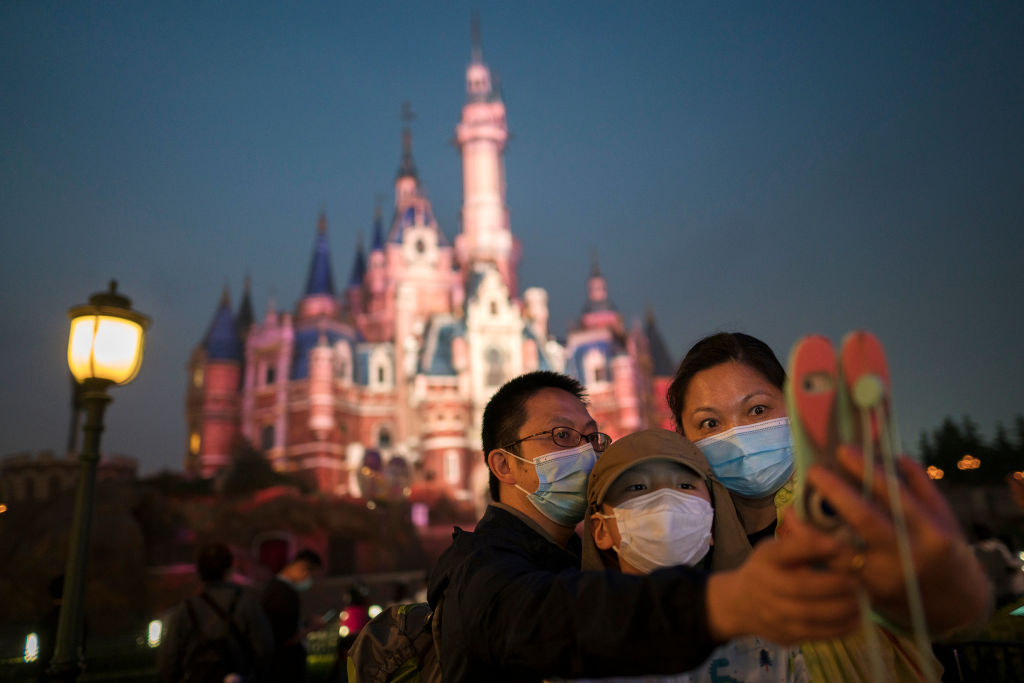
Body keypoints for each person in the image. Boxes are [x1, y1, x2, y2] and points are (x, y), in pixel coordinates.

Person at [427, 370, 865, 682]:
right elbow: (551, 619)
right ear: (504, 464)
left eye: (591, 438)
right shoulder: (482, 570)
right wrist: (721, 603)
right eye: (562, 436)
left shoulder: (559, 561)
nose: (585, 452)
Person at [666, 331, 992, 680]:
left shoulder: (852, 510)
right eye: (710, 423)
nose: (738, 434)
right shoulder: (687, 542)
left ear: (793, 407)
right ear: (685, 439)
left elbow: (954, 622)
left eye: (757, 410)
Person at [581, 427, 809, 682]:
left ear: (711, 522)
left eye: (685, 485)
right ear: (601, 530)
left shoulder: (771, 637)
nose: (666, 502)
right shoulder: (577, 647)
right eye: (637, 487)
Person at [158, 542, 273, 683]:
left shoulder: (186, 609)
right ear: (230, 569)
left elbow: (169, 658)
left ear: (199, 572)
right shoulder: (247, 604)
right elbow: (264, 650)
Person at [261, 549, 324, 682]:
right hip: (285, 666)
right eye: (311, 575)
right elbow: (286, 637)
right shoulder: (284, 594)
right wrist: (312, 627)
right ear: (302, 568)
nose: (309, 580)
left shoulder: (273, 588)